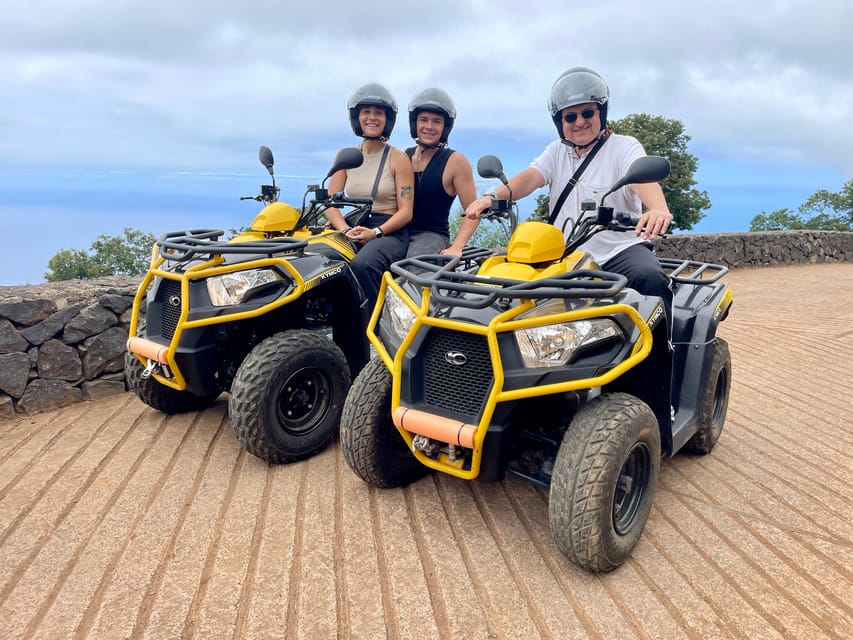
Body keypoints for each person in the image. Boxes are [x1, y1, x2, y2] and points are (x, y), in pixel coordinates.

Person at [464, 66, 674, 321]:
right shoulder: (556, 152)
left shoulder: (623, 147)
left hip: (618, 251)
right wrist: (493, 197)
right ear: (560, 122)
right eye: (570, 117)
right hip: (566, 256)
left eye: (587, 113)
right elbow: (530, 178)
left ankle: (664, 354)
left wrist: (657, 208)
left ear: (601, 112)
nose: (580, 122)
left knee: (650, 278)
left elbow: (643, 178)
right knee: (504, 289)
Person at [325, 83, 414, 309]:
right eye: (366, 112)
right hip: (355, 226)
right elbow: (330, 204)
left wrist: (375, 233)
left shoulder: (398, 158)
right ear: (357, 117)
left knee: (363, 266)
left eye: (378, 113)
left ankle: (377, 329)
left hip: (388, 231)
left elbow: (406, 211)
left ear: (387, 120)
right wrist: (344, 228)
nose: (372, 118)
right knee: (320, 259)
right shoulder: (346, 156)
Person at [404, 88, 479, 257]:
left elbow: (472, 211)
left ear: (445, 126)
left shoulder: (455, 161)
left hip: (432, 236)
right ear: (414, 123)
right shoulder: (403, 157)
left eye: (436, 121)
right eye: (424, 120)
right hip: (399, 233)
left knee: (412, 268)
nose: (429, 126)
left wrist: (457, 246)